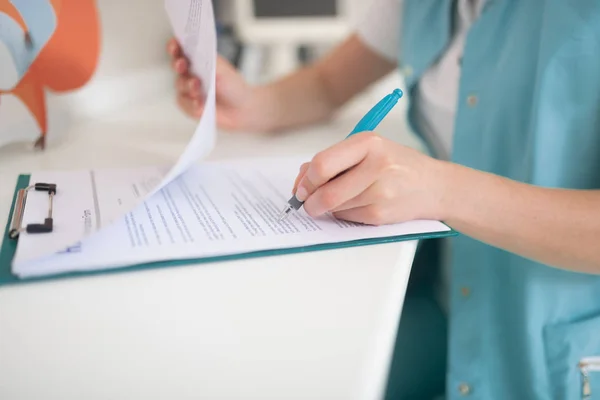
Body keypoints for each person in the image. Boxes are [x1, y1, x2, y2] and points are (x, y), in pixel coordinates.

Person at [167, 1, 600, 398]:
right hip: (451, 301)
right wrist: (254, 104)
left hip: (552, 348)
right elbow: (326, 83)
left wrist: (441, 190)